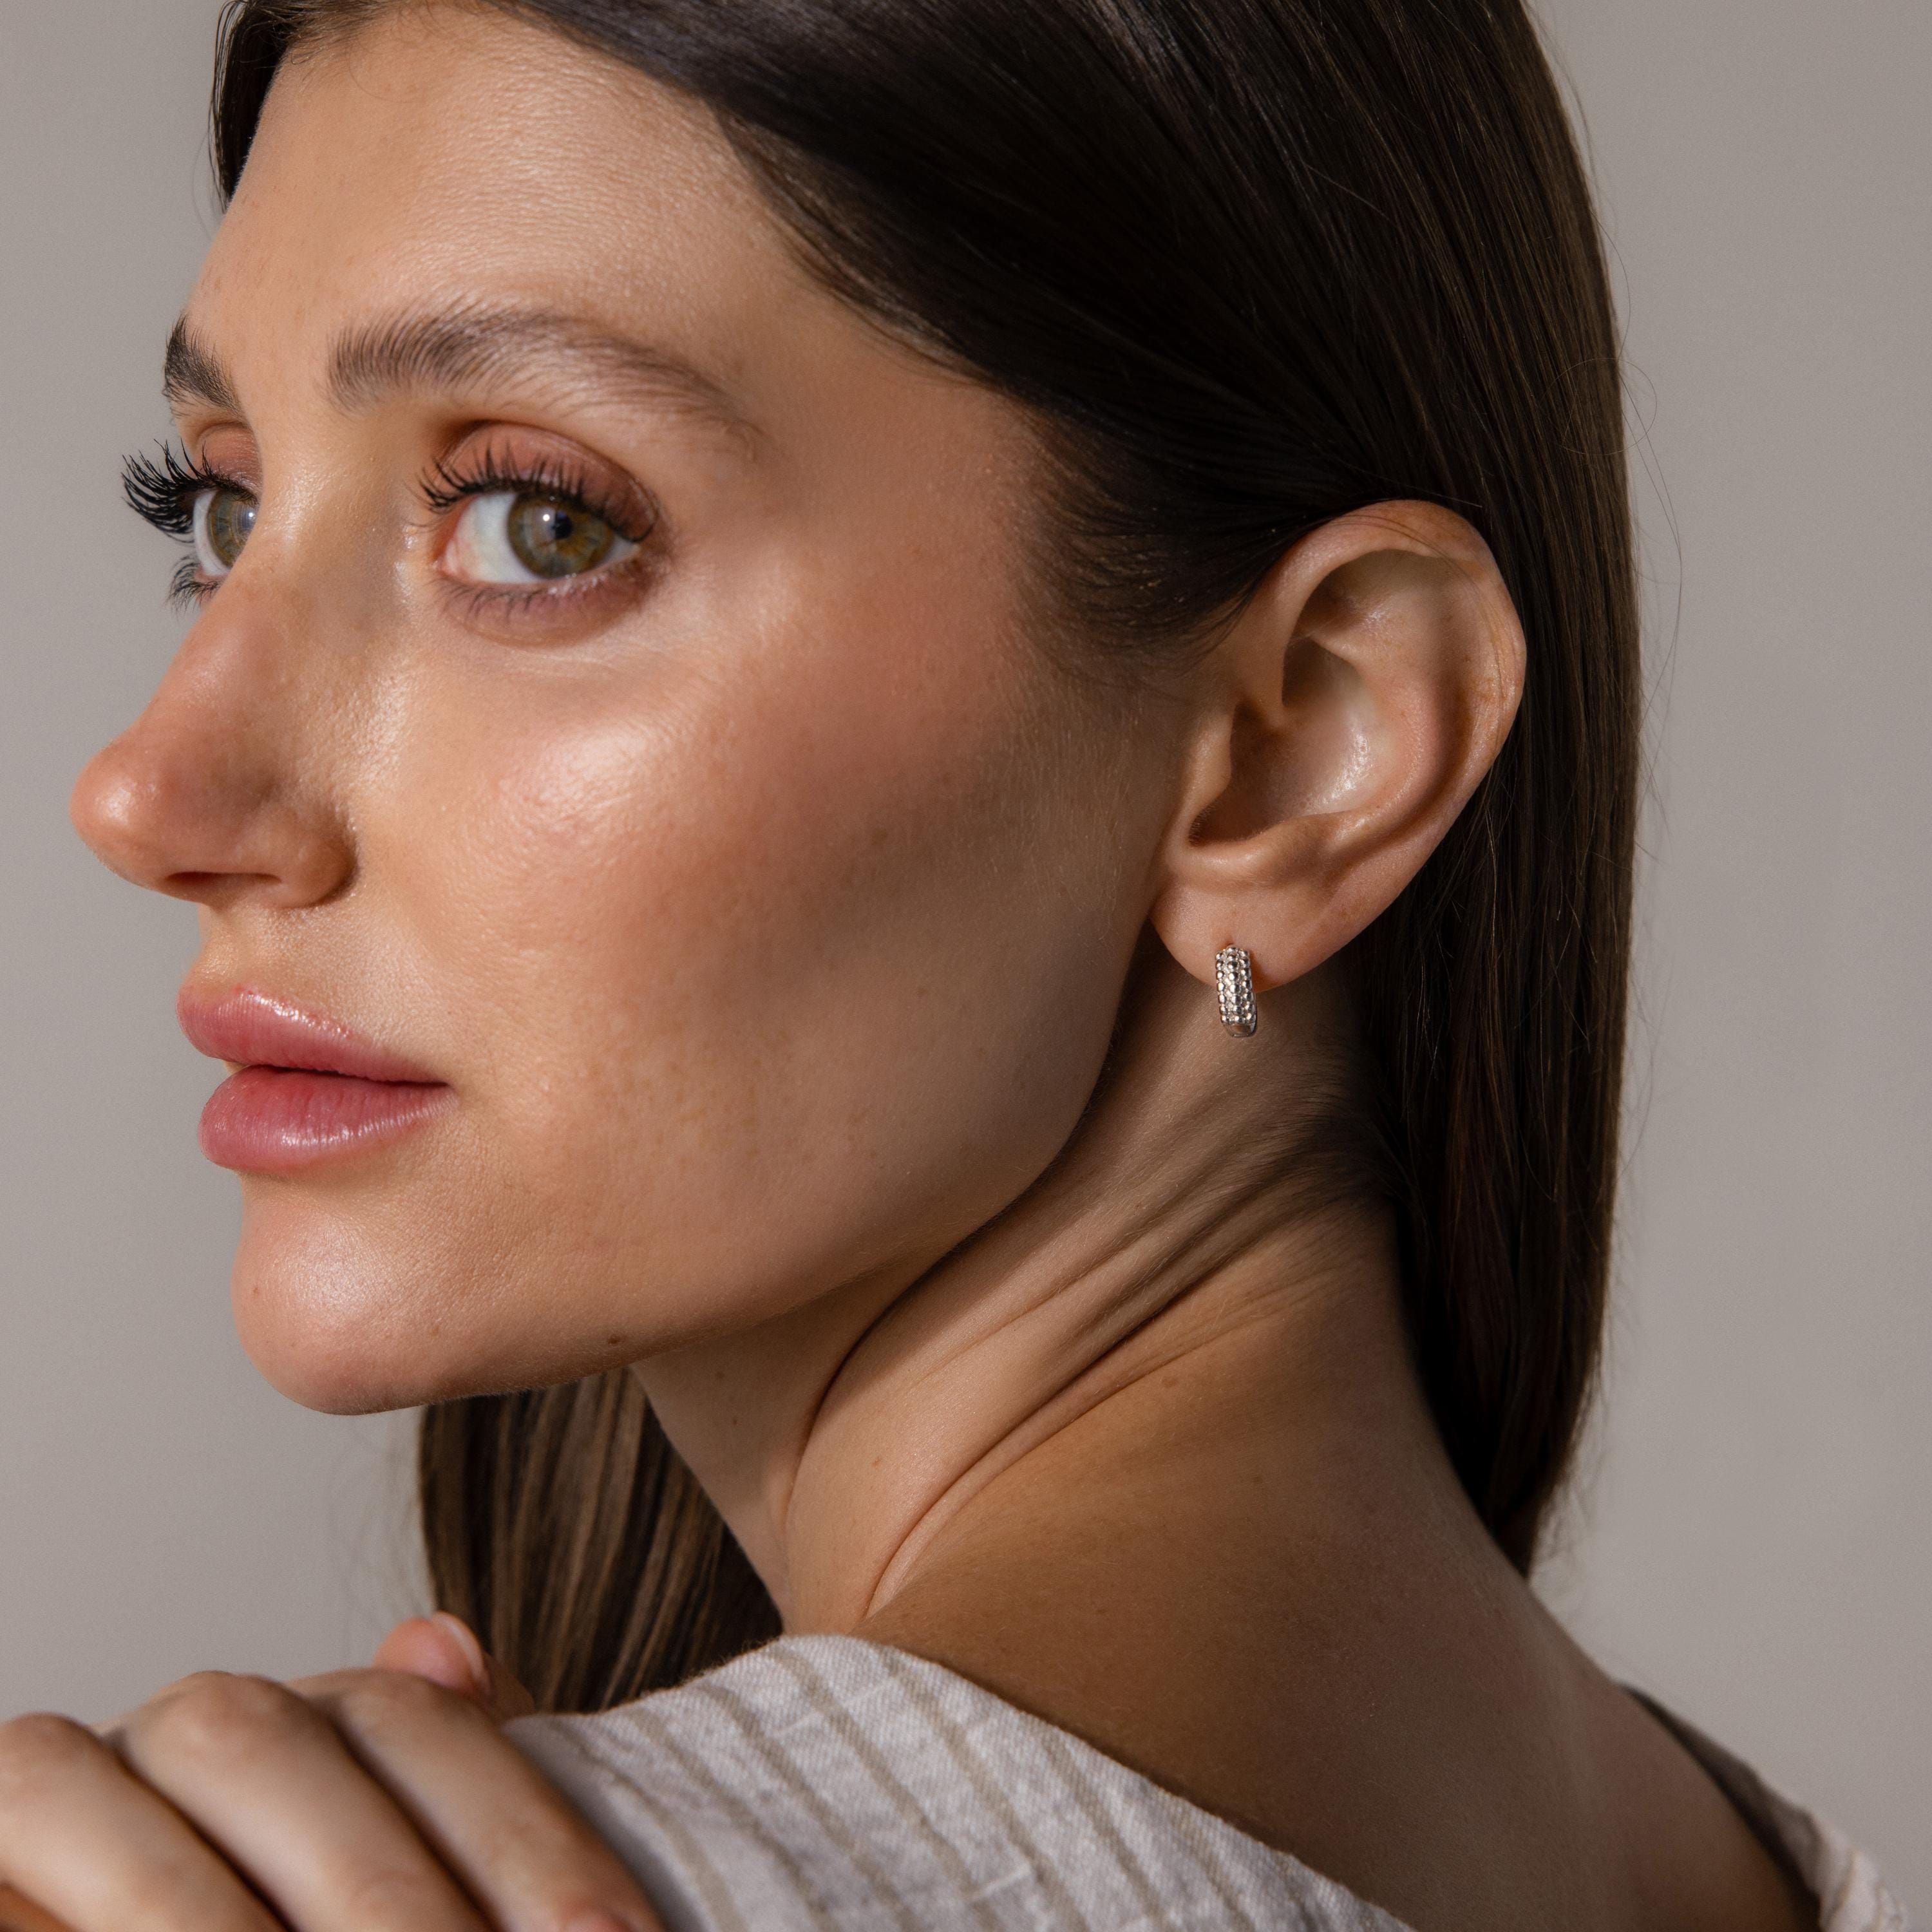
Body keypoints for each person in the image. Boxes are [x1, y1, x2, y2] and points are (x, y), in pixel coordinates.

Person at [0, 0, 1908, 1927]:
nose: (152, 789)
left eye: (538, 519)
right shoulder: (1755, 1870)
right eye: (224, 510)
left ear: (1302, 749)